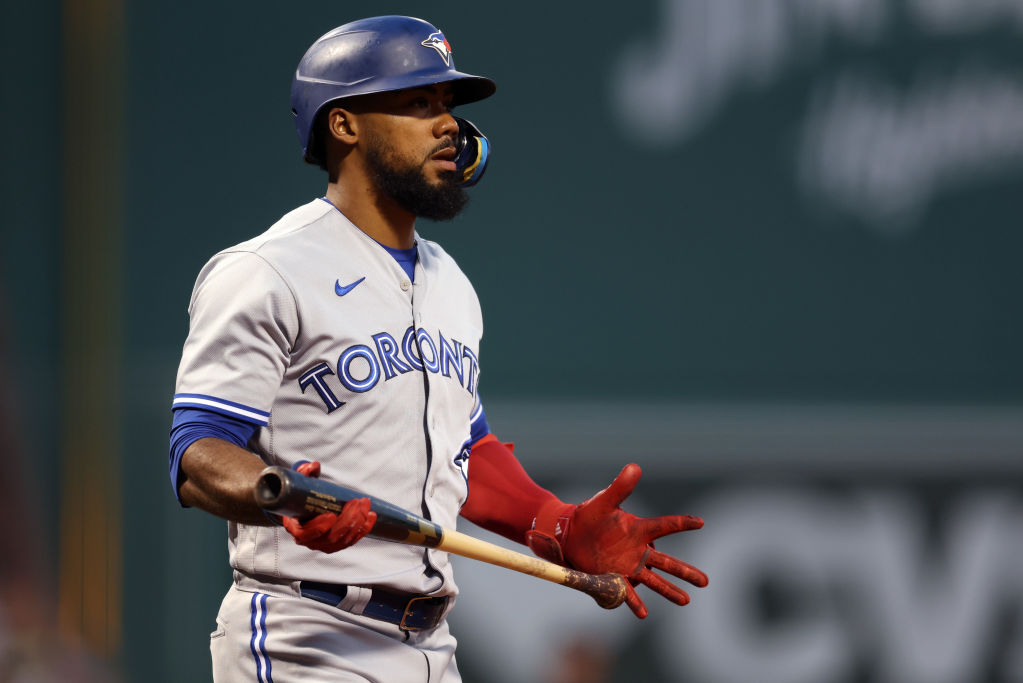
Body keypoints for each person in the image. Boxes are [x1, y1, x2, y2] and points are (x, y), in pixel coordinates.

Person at [168, 15, 707, 682]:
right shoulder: (268, 270)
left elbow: (465, 453)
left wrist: (557, 522)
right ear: (345, 125)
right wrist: (281, 496)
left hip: (428, 646)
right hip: (305, 638)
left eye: (448, 106)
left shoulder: (450, 281)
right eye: (419, 103)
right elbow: (198, 454)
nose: (448, 124)